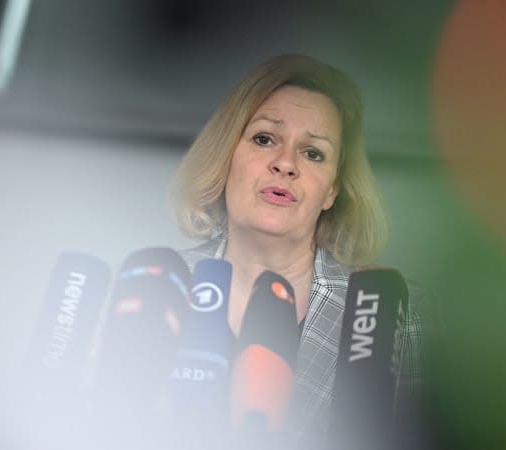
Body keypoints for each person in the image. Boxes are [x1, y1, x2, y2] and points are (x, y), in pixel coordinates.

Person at [170, 53, 425, 449]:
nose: (285, 164)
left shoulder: (399, 314)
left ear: (332, 191)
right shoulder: (161, 289)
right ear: (226, 159)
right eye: (265, 139)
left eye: (313, 153)